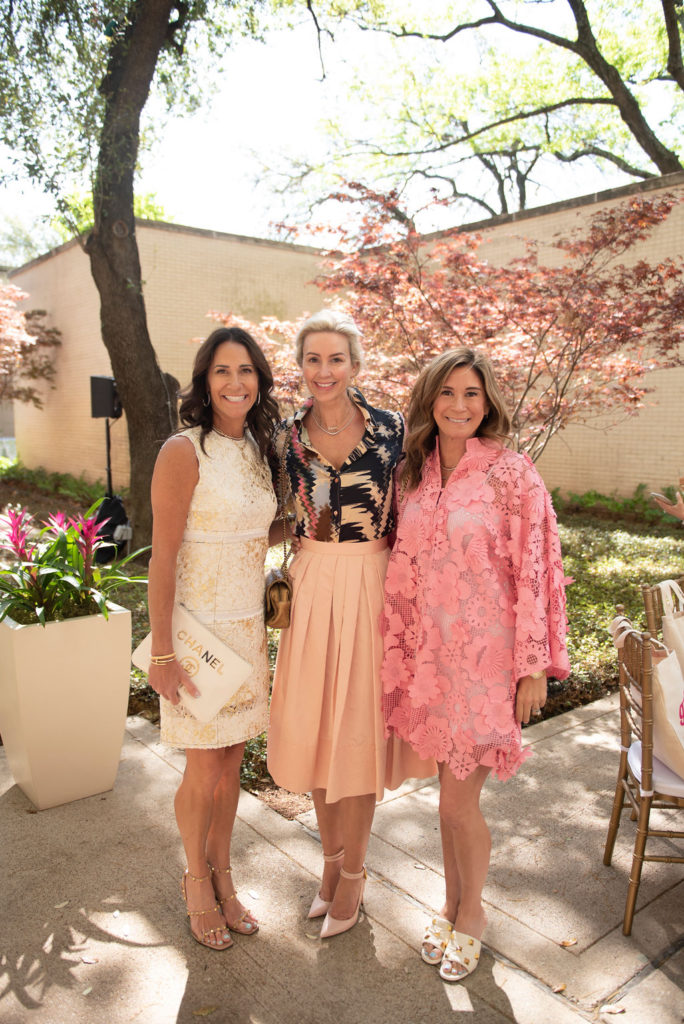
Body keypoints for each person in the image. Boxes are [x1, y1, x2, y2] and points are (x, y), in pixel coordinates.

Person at [380, 348, 569, 982]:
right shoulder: (414, 474)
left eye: (472, 394)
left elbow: (539, 570)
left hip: (486, 666)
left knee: (459, 805)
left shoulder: (512, 474)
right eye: (448, 393)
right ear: (429, 401)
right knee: (445, 804)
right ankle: (450, 904)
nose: (460, 405)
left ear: (488, 404)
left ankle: (474, 916)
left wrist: (533, 666)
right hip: (428, 664)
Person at [267, 309, 434, 939]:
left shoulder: (394, 431)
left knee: (357, 733)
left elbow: (421, 510)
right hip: (311, 584)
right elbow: (277, 515)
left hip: (374, 585)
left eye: (336, 358)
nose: (324, 370)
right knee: (314, 730)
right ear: (301, 365)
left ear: (356, 364)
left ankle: (357, 876)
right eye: (313, 358)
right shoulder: (286, 437)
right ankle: (331, 866)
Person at [147, 326, 280, 950]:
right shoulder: (182, 450)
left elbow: (251, 533)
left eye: (246, 371)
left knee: (232, 764)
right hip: (197, 634)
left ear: (260, 381)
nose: (236, 383)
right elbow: (162, 556)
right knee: (203, 767)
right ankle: (195, 881)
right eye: (223, 371)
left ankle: (226, 877)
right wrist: (164, 653)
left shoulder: (259, 448)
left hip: (248, 631)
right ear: (205, 381)